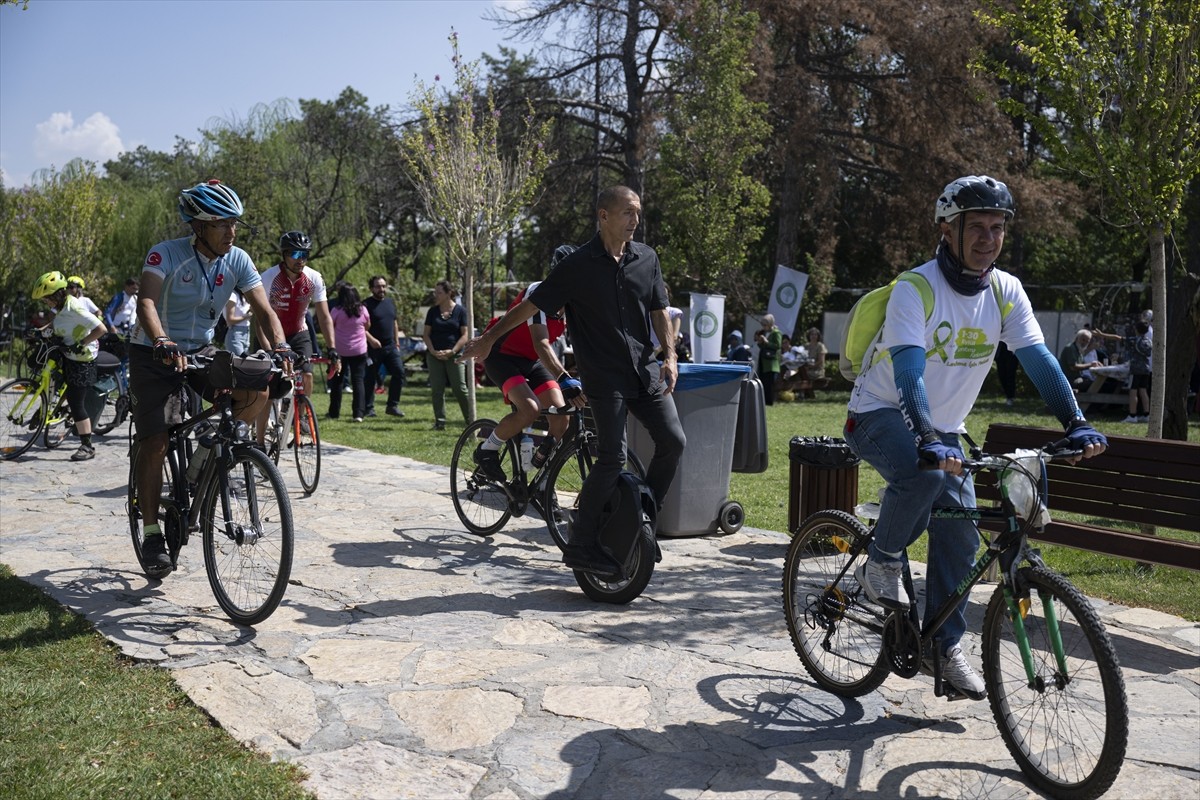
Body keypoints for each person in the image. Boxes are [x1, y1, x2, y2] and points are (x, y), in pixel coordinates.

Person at [844, 175, 1107, 700]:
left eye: (998, 227)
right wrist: (927, 437)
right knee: (921, 476)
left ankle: (944, 647)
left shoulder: (1005, 292)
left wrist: (1074, 421)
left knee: (963, 533)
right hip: (879, 412)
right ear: (948, 229)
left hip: (944, 430)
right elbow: (909, 376)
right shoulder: (915, 289)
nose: (989, 237)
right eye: (977, 227)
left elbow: (1040, 362)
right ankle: (882, 562)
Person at [459, 185, 685, 576]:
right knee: (612, 456)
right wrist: (488, 339)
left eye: (638, 212)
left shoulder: (646, 258)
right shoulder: (577, 265)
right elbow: (530, 307)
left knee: (674, 441)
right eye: (627, 212)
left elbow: (659, 308)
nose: (635, 220)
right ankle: (581, 543)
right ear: (603, 216)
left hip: (644, 371)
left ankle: (640, 522)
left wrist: (669, 354)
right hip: (604, 376)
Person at [130, 179, 293, 578]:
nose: (231, 232)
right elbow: (146, 302)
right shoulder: (165, 254)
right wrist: (162, 340)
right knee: (155, 440)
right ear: (198, 226)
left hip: (201, 349)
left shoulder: (236, 259)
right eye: (222, 224)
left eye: (234, 224)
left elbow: (263, 310)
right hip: (155, 352)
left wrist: (282, 347)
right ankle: (152, 532)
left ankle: (207, 453)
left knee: (256, 390)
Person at [472, 246, 584, 481]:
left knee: (561, 413)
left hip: (531, 361)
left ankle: (542, 483)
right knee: (530, 409)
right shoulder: (538, 292)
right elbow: (541, 343)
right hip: (501, 356)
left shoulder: (576, 303)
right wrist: (564, 378)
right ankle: (487, 450)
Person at [255, 231, 340, 441]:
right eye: (294, 253)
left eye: (304, 254)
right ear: (284, 255)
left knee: (307, 373)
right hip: (272, 334)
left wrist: (332, 349)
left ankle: (300, 418)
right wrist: (268, 350)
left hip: (299, 332)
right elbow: (259, 320)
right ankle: (258, 442)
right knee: (267, 389)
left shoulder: (313, 278)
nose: (300, 259)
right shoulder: (268, 278)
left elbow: (324, 316)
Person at [30, 271, 107, 461]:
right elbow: (57, 324)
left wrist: (81, 344)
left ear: (57, 294)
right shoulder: (62, 307)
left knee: (76, 402)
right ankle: (46, 411)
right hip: (66, 352)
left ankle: (87, 446)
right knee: (50, 378)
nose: (46, 302)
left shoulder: (75, 307)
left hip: (82, 360)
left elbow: (101, 329)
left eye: (47, 298)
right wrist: (38, 332)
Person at [423, 279, 471, 430]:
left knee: (460, 389)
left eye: (439, 292)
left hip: (455, 356)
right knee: (437, 389)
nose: (436, 295)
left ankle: (471, 421)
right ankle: (440, 422)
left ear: (449, 293)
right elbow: (426, 335)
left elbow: (465, 335)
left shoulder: (461, 311)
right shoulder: (432, 311)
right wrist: (432, 351)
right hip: (434, 355)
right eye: (435, 292)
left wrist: (453, 351)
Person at [328, 283, 379, 422]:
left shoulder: (337, 310)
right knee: (358, 381)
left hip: (340, 350)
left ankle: (334, 412)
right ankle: (358, 413)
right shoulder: (363, 310)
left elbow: (330, 326)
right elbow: (367, 326)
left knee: (337, 382)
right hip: (359, 350)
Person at [363, 275, 408, 419]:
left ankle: (392, 406)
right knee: (370, 378)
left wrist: (397, 341)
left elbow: (394, 323)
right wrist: (371, 340)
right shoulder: (365, 305)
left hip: (390, 346)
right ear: (371, 289)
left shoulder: (390, 302)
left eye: (383, 286)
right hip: (373, 347)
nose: (381, 289)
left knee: (399, 372)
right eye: (377, 286)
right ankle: (368, 408)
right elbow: (360, 326)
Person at [755, 313, 783, 405]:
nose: (763, 327)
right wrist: (760, 342)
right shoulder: (764, 333)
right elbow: (762, 346)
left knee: (770, 383)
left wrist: (767, 342)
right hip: (763, 360)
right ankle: (763, 400)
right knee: (763, 382)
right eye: (762, 325)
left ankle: (770, 401)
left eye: (765, 325)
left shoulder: (776, 333)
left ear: (770, 324)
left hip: (772, 363)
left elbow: (777, 346)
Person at [650, 284, 683, 362]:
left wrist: (657, 351)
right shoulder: (646, 313)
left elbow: (674, 337)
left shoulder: (675, 312)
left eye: (665, 294)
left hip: (666, 353)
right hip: (649, 352)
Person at [221, 289, 252, 356]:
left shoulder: (243, 296)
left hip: (246, 333)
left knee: (246, 362)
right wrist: (246, 316)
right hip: (235, 334)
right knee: (238, 362)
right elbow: (230, 319)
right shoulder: (233, 295)